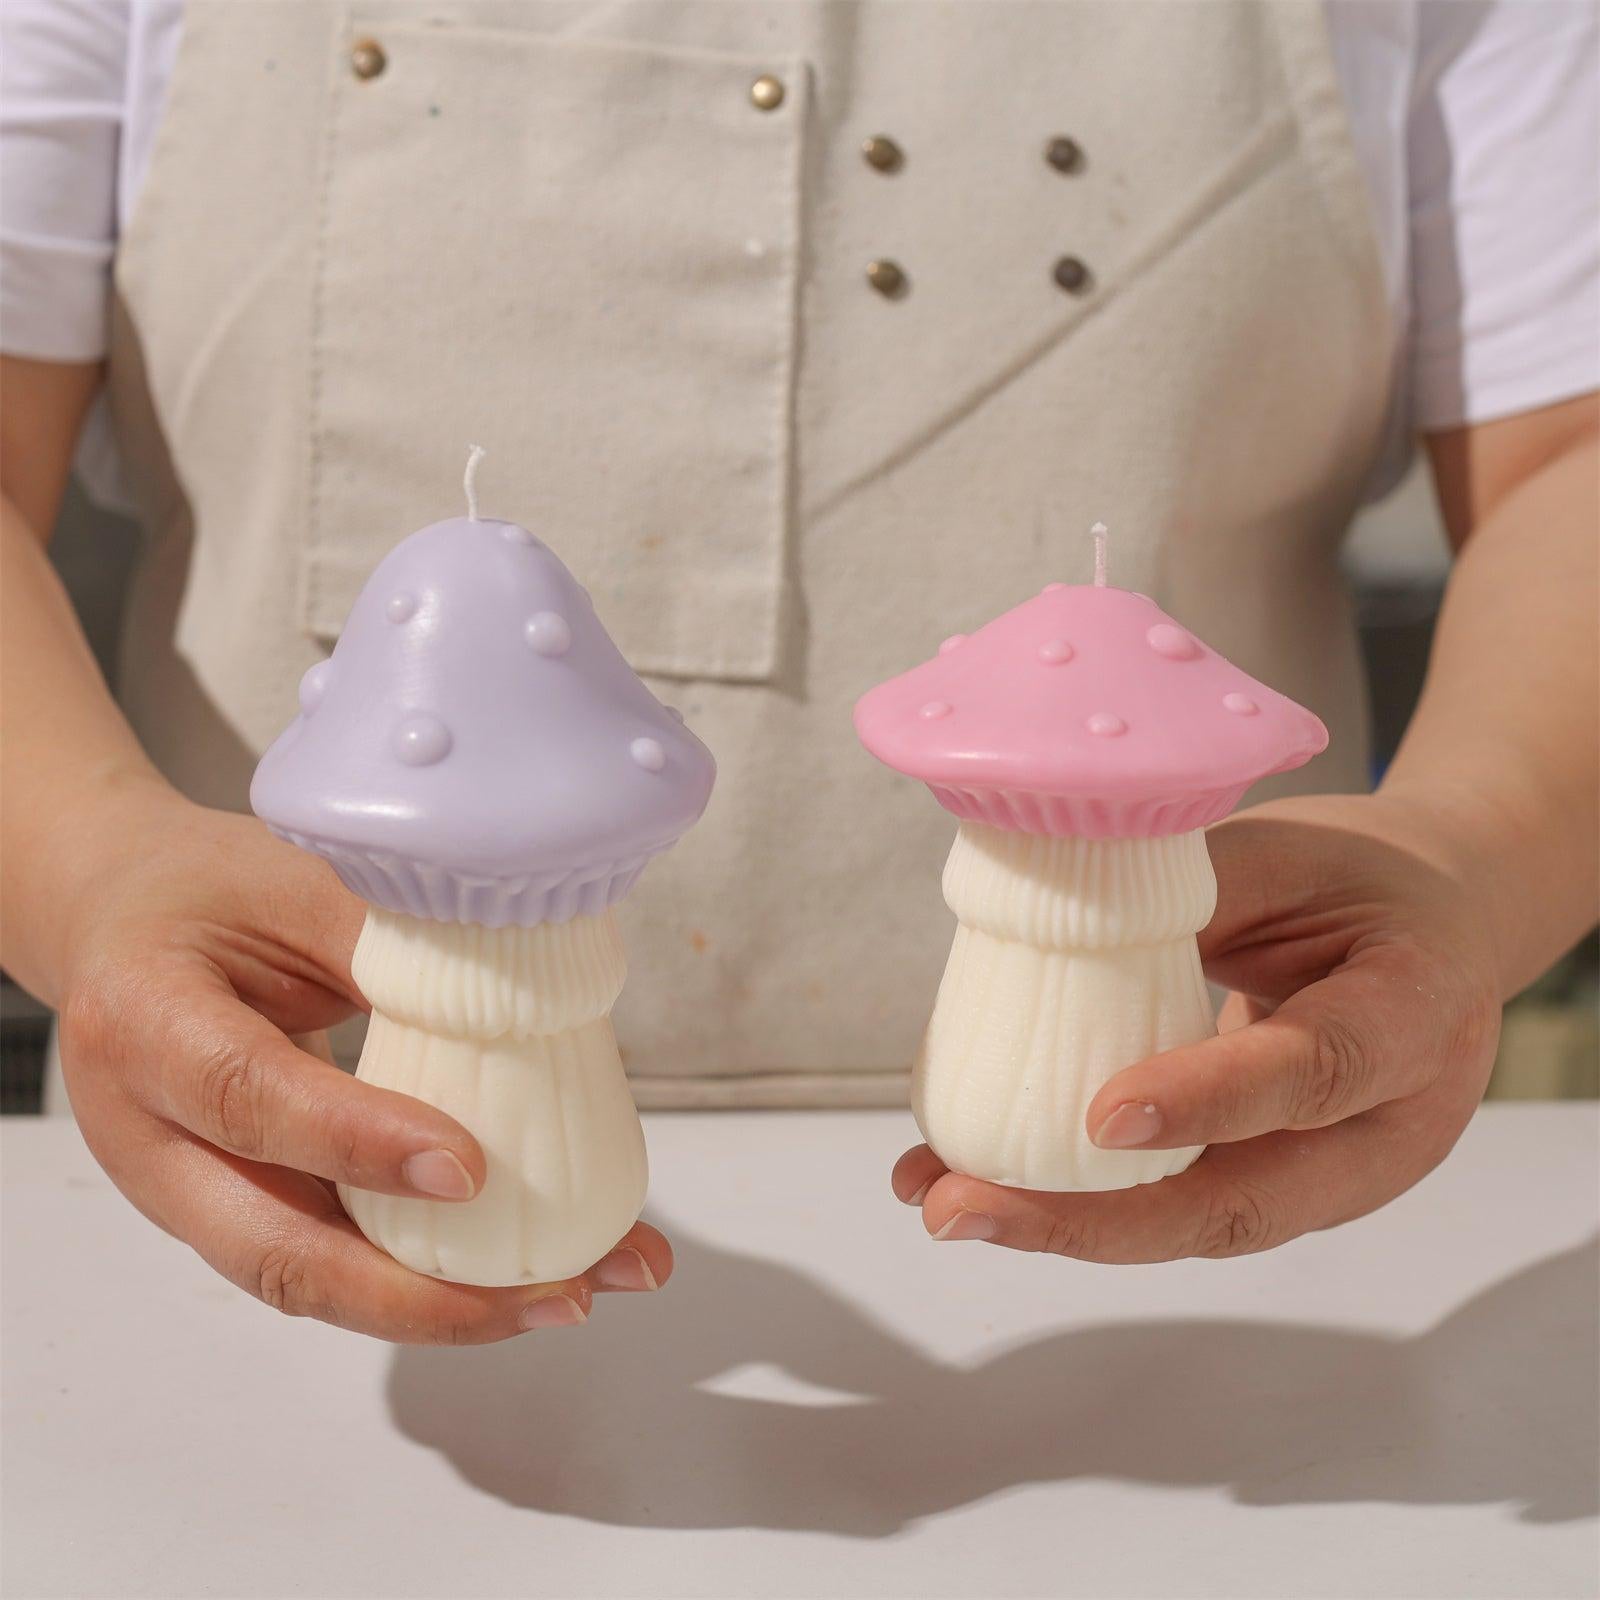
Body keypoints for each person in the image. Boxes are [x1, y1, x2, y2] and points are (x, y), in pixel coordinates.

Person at [1, 0, 1595, 1344]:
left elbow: (1567, 457)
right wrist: (86, 871)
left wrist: (1475, 848)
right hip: (247, 1230)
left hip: (1227, 1267)